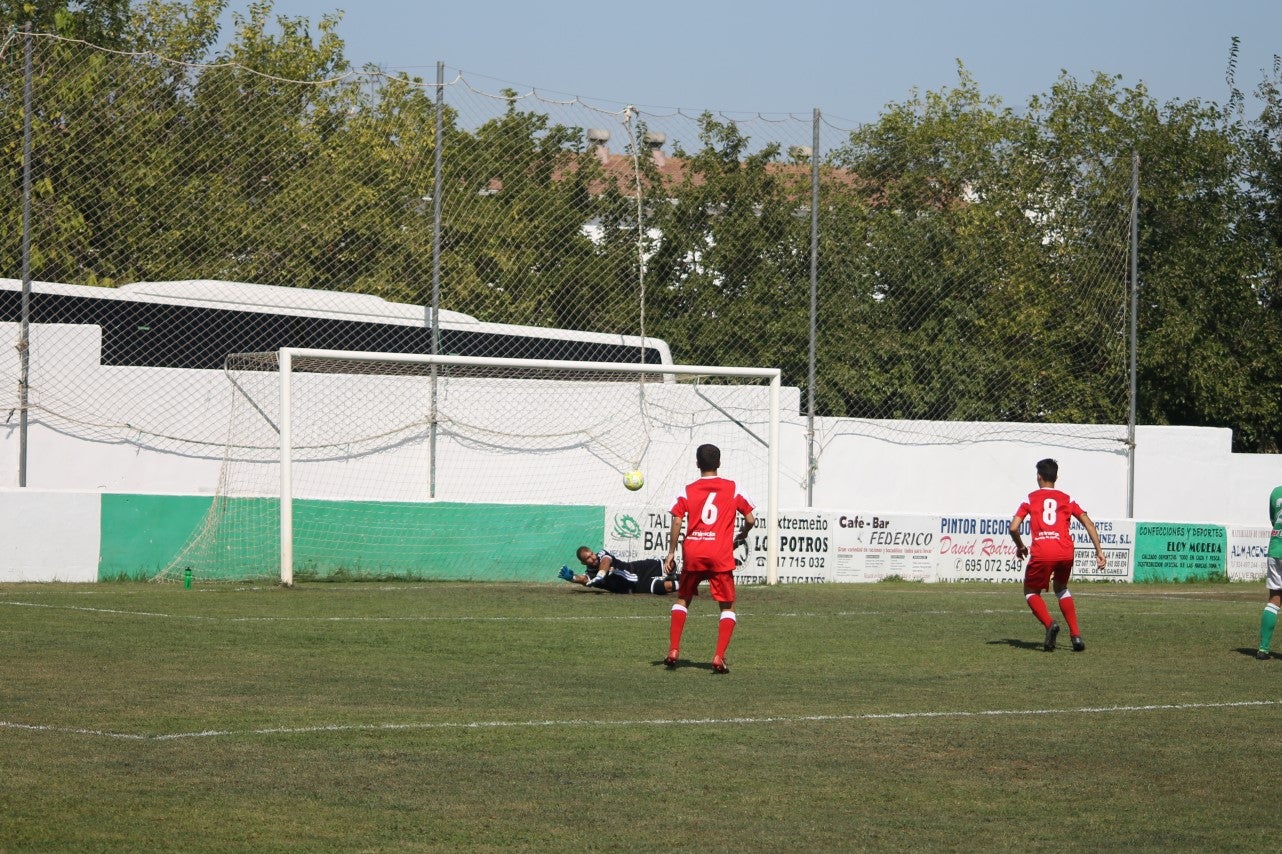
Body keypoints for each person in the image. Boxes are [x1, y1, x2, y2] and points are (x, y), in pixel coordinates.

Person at [662, 443, 755, 674]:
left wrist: (672, 552)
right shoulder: (732, 488)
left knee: (683, 599)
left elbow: (676, 519)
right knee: (727, 606)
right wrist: (743, 533)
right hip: (719, 554)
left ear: (697, 464)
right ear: (719, 463)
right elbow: (751, 518)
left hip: (693, 552)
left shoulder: (687, 489)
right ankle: (718, 657)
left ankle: (673, 650)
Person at [1008, 458, 1106, 652]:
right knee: (1061, 588)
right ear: (1056, 477)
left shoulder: (1030, 499)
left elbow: (1013, 528)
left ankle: (1050, 624)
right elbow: (1089, 524)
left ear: (1038, 477)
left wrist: (1020, 546)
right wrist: (1099, 552)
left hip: (1043, 551)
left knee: (1030, 591)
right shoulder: (1067, 499)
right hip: (1065, 551)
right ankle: (1076, 636)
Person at [557, 547, 677, 595]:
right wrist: (573, 578)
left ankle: (678, 576)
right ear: (583, 563)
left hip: (637, 568)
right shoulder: (590, 575)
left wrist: (601, 574)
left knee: (670, 564)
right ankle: (685, 583)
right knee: (667, 587)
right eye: (588, 558)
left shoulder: (602, 554)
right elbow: (584, 579)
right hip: (635, 585)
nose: (593, 557)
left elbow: (606, 562)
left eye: (591, 554)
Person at [1253, 485, 1282, 659]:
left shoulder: (1276, 492)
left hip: (1276, 549)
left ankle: (1263, 649)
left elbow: (1273, 520)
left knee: (1274, 599)